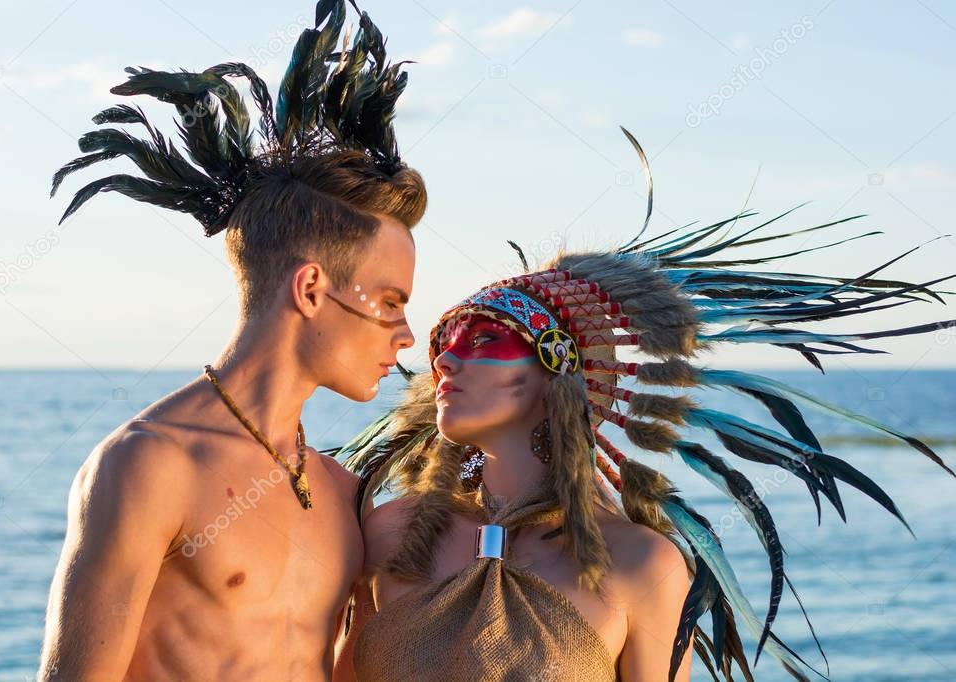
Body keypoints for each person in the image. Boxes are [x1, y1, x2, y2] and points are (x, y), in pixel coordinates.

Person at [335, 132, 956, 681]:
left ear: (560, 376)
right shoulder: (391, 531)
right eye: (444, 343)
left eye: (484, 341)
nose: (445, 360)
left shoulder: (638, 562)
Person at [37, 2, 427, 679]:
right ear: (310, 289)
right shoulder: (152, 464)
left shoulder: (340, 490)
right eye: (389, 302)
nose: (406, 334)